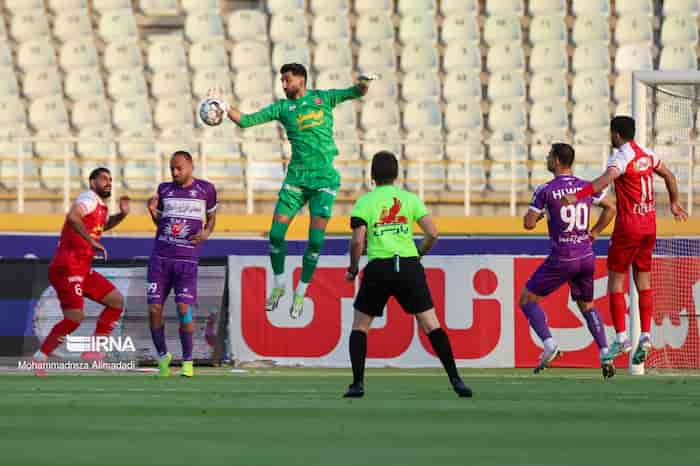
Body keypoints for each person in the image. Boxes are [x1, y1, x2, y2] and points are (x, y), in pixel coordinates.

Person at [208, 63, 374, 319]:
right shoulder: (283, 108)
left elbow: (356, 92)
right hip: (296, 180)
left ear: (301, 80)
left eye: (287, 80)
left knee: (316, 241)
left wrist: (364, 83)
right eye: (282, 80)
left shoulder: (324, 98)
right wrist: (225, 107)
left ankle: (301, 291)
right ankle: (279, 283)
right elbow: (247, 121)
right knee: (275, 235)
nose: (283, 85)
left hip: (324, 182)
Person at [343, 151, 472, 398]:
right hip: (408, 265)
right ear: (396, 174)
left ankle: (357, 384)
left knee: (361, 326)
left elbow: (358, 241)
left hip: (379, 267)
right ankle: (456, 380)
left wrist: (353, 268)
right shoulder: (409, 199)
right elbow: (432, 233)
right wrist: (417, 254)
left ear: (372, 176)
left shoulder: (365, 202)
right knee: (431, 324)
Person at [563, 116, 688, 365]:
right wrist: (674, 202)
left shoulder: (621, 156)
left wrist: (578, 195)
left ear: (617, 135)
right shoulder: (648, 155)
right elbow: (670, 177)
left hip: (628, 227)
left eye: (611, 134)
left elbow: (604, 180)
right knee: (643, 279)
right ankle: (645, 336)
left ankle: (621, 338)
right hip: (649, 226)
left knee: (616, 281)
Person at [521, 143, 617, 377]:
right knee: (587, 306)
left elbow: (528, 223)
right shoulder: (586, 187)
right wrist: (594, 232)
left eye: (548, 156)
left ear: (555, 161)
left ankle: (550, 345)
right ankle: (605, 352)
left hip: (563, 257)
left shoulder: (545, 190)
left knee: (527, 299)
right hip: (586, 256)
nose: (546, 159)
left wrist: (541, 214)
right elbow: (611, 208)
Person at [33, 168, 130, 375]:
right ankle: (40, 357)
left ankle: (93, 352)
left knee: (116, 301)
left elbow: (104, 224)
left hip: (82, 268)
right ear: (92, 182)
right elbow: (73, 217)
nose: (108, 182)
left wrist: (122, 214)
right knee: (74, 318)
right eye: (104, 178)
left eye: (110, 179)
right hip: (67, 266)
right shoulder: (88, 198)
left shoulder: (100, 207)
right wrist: (91, 241)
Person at [146, 151, 217, 377]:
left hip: (186, 261)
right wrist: (151, 213)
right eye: (171, 169)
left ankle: (187, 361)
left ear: (190, 166)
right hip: (160, 260)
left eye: (179, 168)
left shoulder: (206, 190)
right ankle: (163, 356)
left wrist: (206, 233)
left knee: (184, 310)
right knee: (154, 309)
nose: (175, 173)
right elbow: (161, 222)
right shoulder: (164, 189)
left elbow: (212, 217)